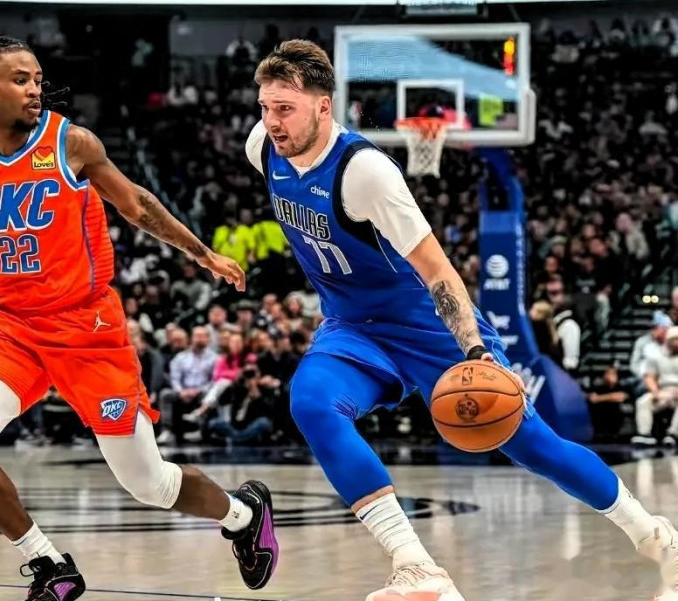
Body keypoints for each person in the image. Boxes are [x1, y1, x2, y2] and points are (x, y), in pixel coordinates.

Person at [245, 39, 678, 601]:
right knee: (310, 402)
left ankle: (656, 538)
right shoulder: (262, 148)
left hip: (426, 324)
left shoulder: (365, 172)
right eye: (266, 107)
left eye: (285, 108)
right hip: (353, 328)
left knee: (533, 446)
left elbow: (438, 270)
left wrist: (476, 351)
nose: (272, 121)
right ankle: (416, 567)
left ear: (323, 106)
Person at [0, 37, 277, 601]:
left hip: (87, 329)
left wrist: (202, 254)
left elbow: (137, 206)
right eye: (20, 79)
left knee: (148, 483)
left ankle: (242, 515)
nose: (34, 89)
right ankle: (49, 565)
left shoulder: (70, 143)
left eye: (38, 79)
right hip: (12, 329)